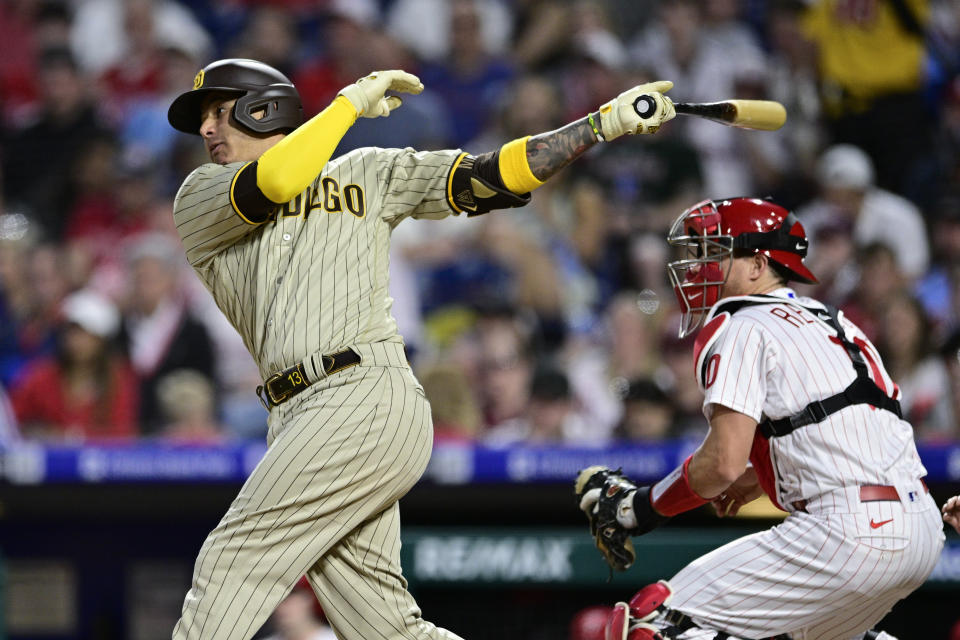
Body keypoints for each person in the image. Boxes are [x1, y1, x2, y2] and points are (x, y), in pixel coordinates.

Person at [166, 57, 676, 640]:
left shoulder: (365, 172)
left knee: (235, 558)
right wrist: (348, 105)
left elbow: (489, 176)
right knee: (385, 626)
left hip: (361, 391)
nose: (205, 128)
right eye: (201, 117)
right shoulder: (199, 195)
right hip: (294, 414)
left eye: (218, 111)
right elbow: (277, 182)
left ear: (265, 109)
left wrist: (600, 125)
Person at [575, 197, 944, 640]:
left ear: (756, 264)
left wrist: (641, 507)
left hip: (846, 532)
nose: (697, 268)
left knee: (654, 623)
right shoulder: (836, 320)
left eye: (713, 253)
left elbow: (720, 465)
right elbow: (846, 427)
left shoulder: (740, 322)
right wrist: (761, 474)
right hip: (920, 527)